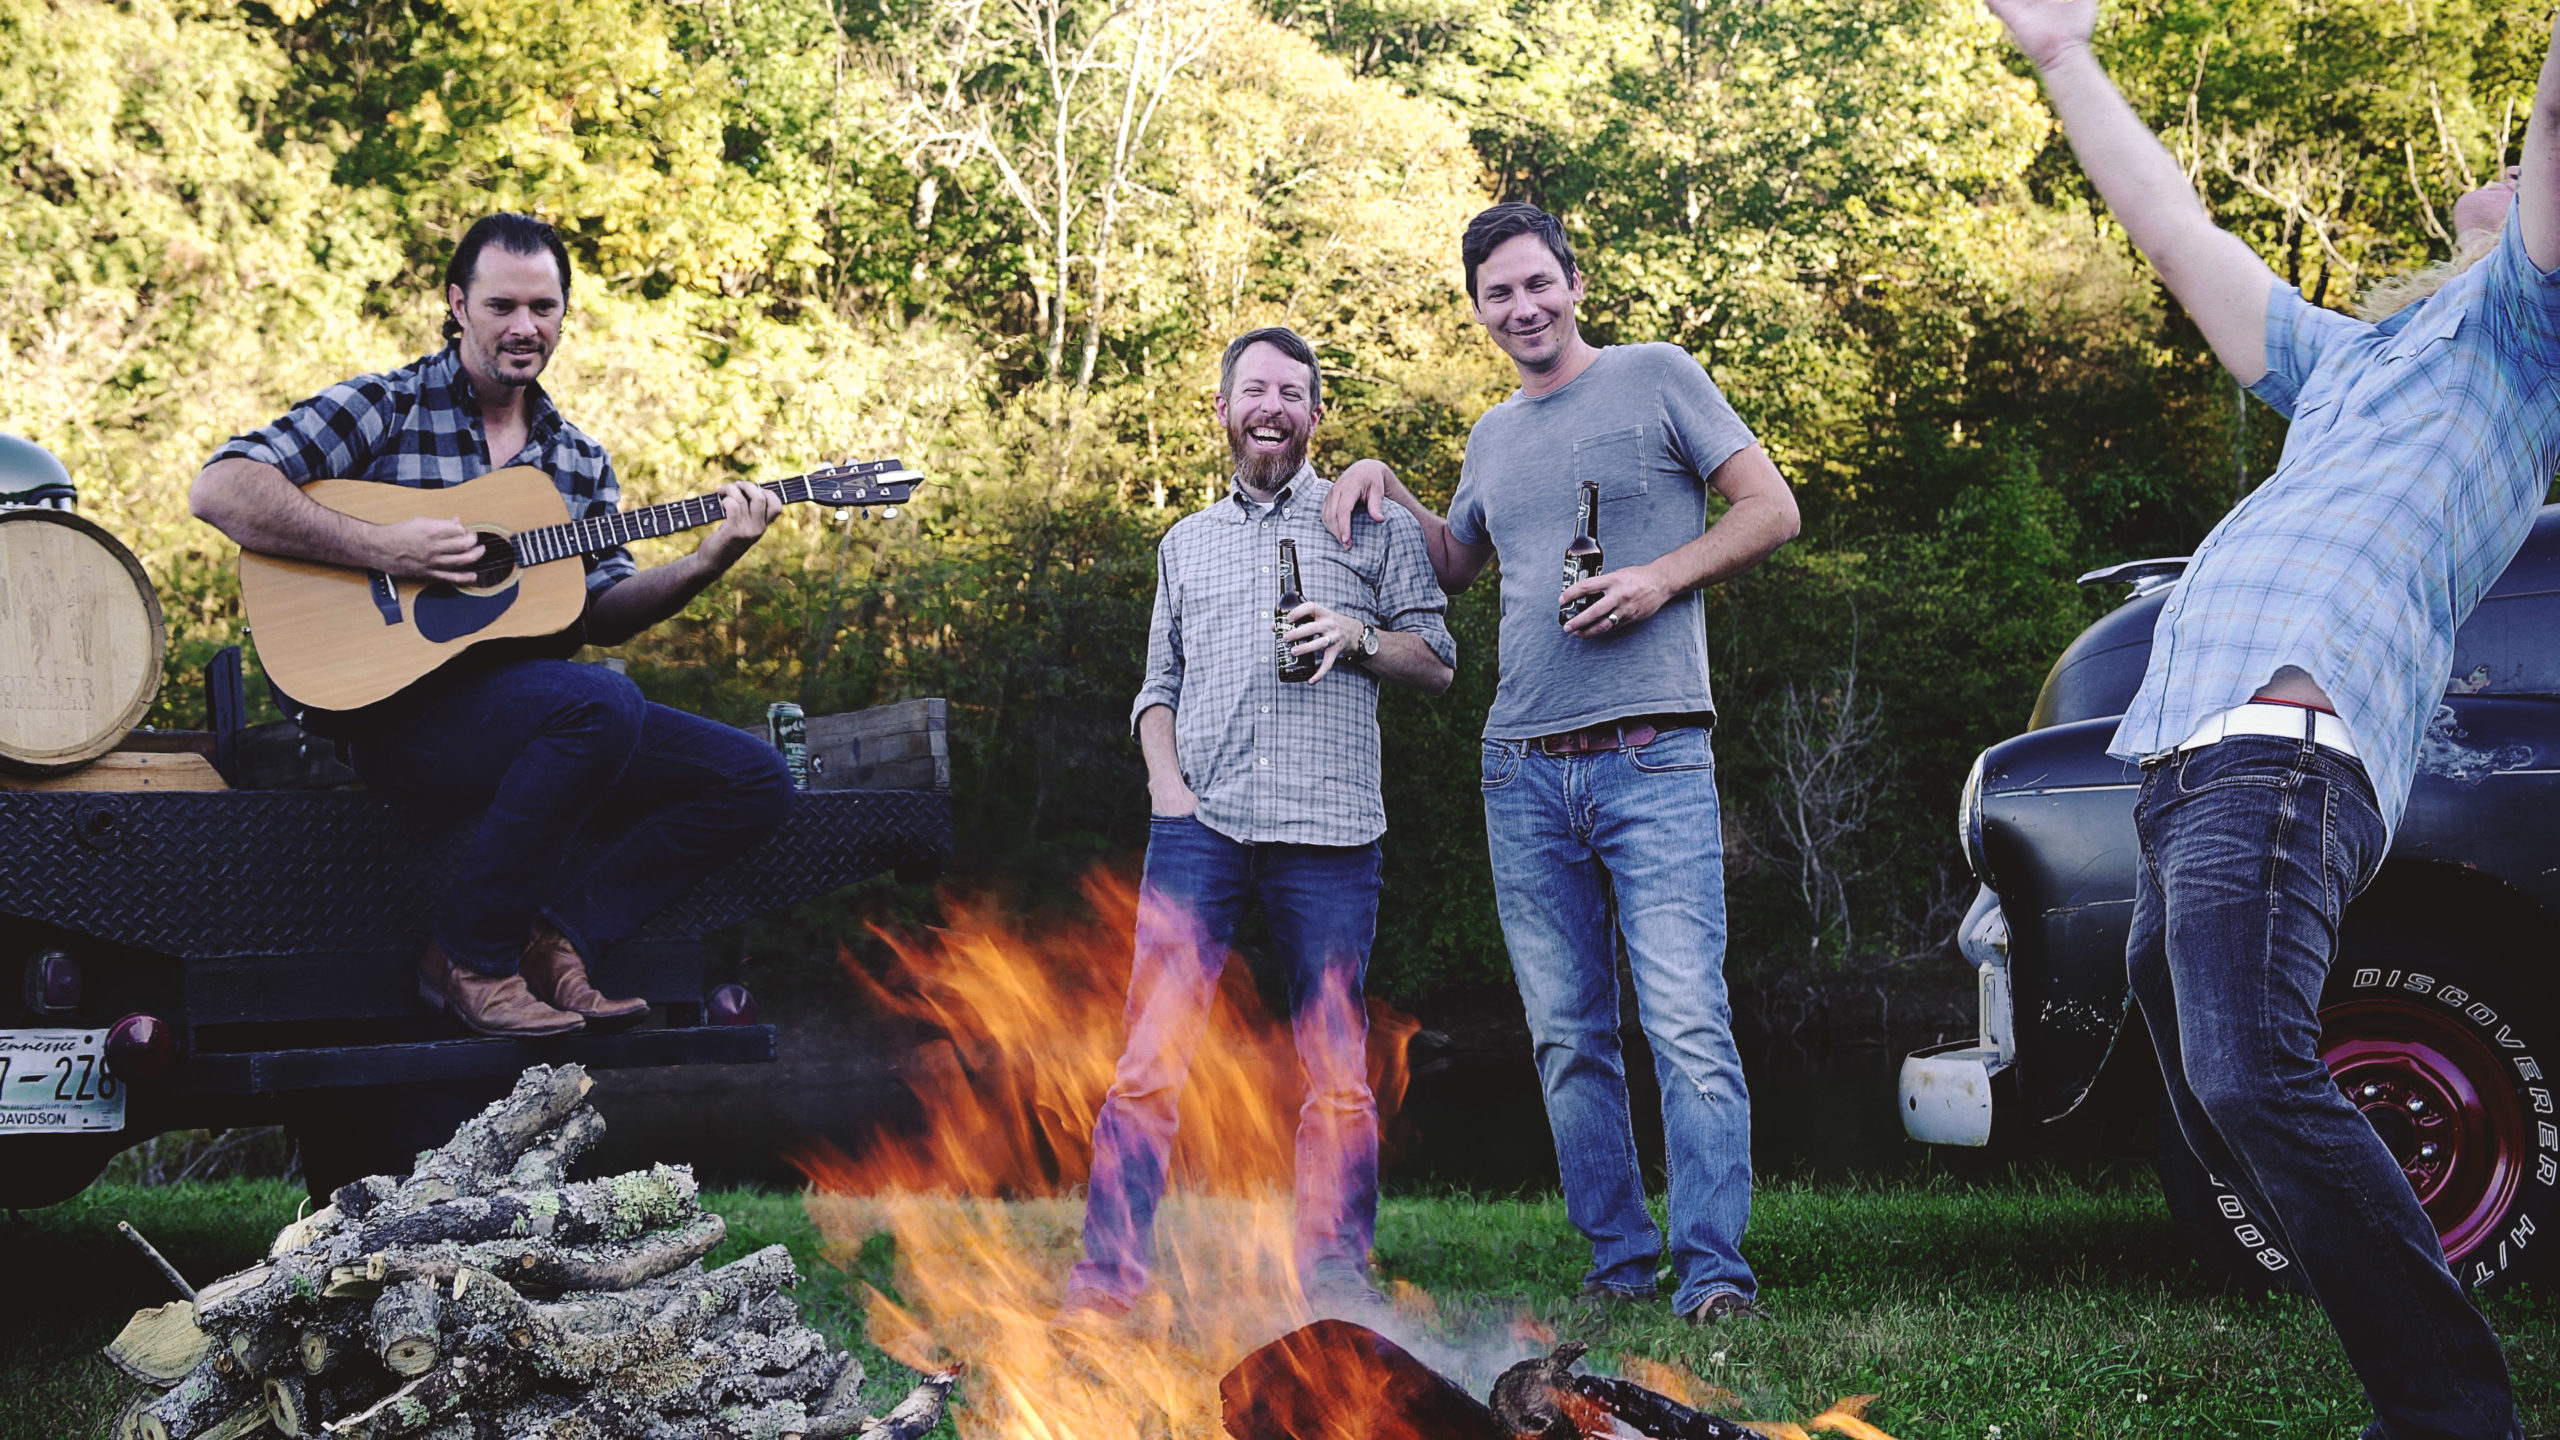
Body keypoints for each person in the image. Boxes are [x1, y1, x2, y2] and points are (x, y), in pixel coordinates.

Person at [1984, 2, 2560, 1435]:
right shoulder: (2358, 364)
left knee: (2251, 1070)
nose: (2481, 181)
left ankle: (2450, 1413)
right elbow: (2179, 238)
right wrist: (2062, 56)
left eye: (2509, 180)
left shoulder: (2520, 334)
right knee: (2210, 1079)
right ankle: (2402, 1334)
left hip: (2283, 760)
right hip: (2188, 769)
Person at [1322, 204, 1800, 1325]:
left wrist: (1658, 579)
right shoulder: (1493, 434)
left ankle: (1714, 1273)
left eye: (1538, 284)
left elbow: (1770, 509)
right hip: (1521, 768)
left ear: (1573, 283)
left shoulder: (1656, 377)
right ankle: (1618, 1262)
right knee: (1564, 1033)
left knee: (1684, 1018)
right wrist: (1382, 476)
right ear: (1479, 308)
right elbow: (1453, 565)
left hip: (1653, 754)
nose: (1522, 308)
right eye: (1498, 293)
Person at [190, 212, 795, 1040]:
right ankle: (470, 960)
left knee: (753, 777)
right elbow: (221, 489)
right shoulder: (387, 406)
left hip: (524, 712)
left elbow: (602, 612)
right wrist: (385, 547)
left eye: (543, 308)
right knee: (600, 703)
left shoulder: (575, 459)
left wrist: (706, 560)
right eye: (502, 305)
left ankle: (560, 940)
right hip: (390, 713)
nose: (524, 327)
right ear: (457, 304)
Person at [1060, 326, 1456, 1322]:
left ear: (1318, 415)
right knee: (1149, 1066)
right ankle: (1106, 1280)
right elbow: (1156, 688)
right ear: (1225, 410)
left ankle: (1332, 1276)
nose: (1271, 406)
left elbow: (1439, 660)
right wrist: (1166, 790)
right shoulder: (1185, 542)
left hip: (1331, 834)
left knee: (1334, 1074)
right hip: (1202, 829)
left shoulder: (1376, 528)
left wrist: (1359, 635)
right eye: (1254, 390)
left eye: (1291, 391)